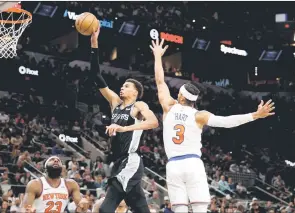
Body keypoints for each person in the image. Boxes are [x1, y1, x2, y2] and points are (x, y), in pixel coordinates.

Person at [150, 38, 275, 213]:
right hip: (193, 163)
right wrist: (254, 115)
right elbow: (226, 122)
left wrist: (157, 56)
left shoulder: (168, 106)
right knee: (200, 208)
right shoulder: (199, 115)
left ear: (181, 97)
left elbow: (160, 81)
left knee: (179, 210)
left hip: (173, 165)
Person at [90, 27, 159, 213]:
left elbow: (153, 123)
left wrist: (123, 129)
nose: (122, 88)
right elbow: (96, 75)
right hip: (118, 160)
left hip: (131, 160)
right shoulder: (115, 103)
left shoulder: (139, 106)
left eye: (126, 86)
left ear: (135, 92)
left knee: (105, 209)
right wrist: (94, 43)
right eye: (122, 85)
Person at [21, 156, 89, 213]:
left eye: (58, 161)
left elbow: (82, 207)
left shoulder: (70, 184)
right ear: (45, 168)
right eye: (52, 160)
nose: (56, 160)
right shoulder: (35, 184)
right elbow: (25, 208)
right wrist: (27, 210)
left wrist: (83, 205)